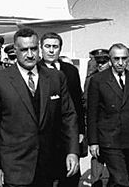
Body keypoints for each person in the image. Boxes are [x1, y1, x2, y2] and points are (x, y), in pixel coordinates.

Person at [0, 28, 79, 187]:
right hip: (15, 167)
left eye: (33, 49)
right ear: (15, 50)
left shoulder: (56, 78)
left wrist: (72, 151)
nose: (30, 54)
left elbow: (68, 117)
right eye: (24, 49)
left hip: (48, 166)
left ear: (39, 48)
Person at [87, 43, 129, 187]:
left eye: (124, 58)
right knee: (121, 178)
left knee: (123, 176)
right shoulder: (98, 80)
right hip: (109, 139)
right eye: (116, 59)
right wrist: (93, 141)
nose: (120, 63)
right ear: (110, 59)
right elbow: (92, 113)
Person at [38, 32, 85, 187]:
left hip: (67, 133)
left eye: (55, 47)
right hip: (46, 136)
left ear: (60, 49)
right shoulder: (35, 71)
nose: (51, 50)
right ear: (41, 48)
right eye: (47, 46)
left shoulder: (70, 70)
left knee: (70, 176)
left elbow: (78, 102)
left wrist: (80, 131)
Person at [83, 48, 110, 187]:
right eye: (98, 62)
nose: (100, 65)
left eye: (104, 62)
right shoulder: (91, 79)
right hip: (97, 126)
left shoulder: (117, 78)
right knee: (97, 157)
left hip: (113, 127)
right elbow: (86, 104)